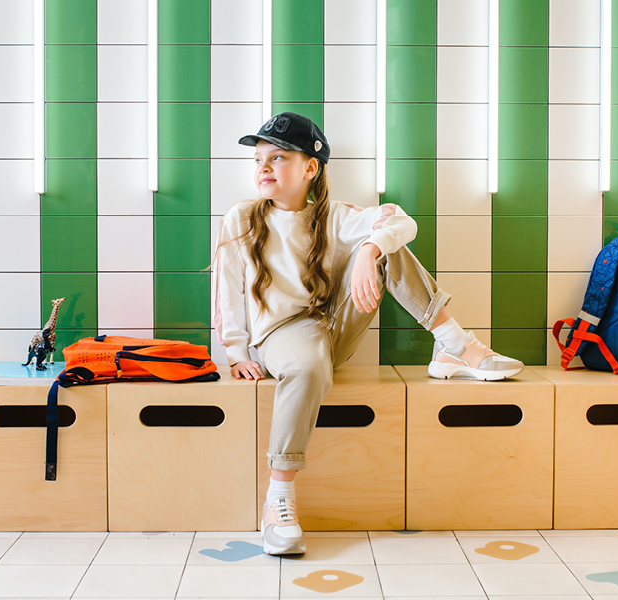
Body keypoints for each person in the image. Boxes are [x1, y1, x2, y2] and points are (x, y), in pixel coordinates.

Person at [211, 112, 524, 555]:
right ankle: (278, 498)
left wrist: (370, 249)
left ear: (310, 168)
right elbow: (227, 290)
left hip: (332, 325)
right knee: (305, 365)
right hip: (282, 335)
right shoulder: (241, 218)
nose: (263, 167)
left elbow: (402, 222)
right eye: (259, 158)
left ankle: (454, 346)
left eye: (277, 157)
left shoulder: (335, 216)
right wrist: (236, 351)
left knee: (384, 242)